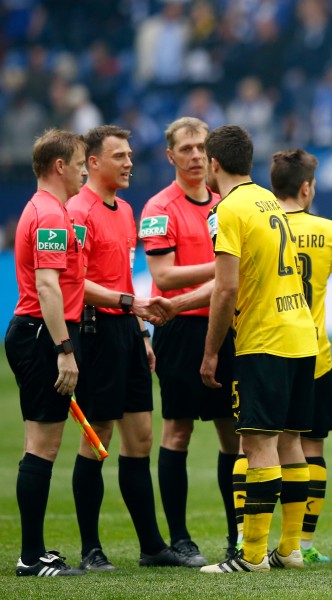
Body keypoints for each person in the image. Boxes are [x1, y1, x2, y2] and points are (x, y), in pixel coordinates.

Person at [68, 125, 195, 570]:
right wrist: (129, 304)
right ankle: (91, 550)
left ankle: (151, 547)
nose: (128, 163)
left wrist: (141, 334)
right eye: (119, 156)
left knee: (140, 439)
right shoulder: (77, 212)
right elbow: (73, 283)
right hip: (95, 332)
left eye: (129, 156)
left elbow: (122, 274)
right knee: (98, 437)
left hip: (126, 330)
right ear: (93, 163)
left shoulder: (124, 210)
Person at [198, 125, 318, 574]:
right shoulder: (268, 200)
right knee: (291, 444)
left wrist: (211, 353)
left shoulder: (227, 209)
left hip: (263, 339)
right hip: (300, 334)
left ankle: (250, 557)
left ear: (214, 163)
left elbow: (226, 288)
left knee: (255, 444)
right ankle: (289, 549)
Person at [139, 116, 239, 562]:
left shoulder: (225, 204)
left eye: (201, 147)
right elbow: (163, 275)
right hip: (178, 328)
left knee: (233, 434)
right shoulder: (159, 209)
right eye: (186, 149)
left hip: (225, 324)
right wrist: (225, 265)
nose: (196, 155)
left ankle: (237, 534)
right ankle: (180, 538)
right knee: (176, 431)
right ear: (171, 156)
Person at [7, 129, 88, 576]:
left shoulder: (41, 209)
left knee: (39, 444)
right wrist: (64, 349)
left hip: (34, 331)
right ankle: (30, 558)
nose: (83, 170)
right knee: (43, 446)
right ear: (59, 166)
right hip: (42, 333)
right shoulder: (52, 216)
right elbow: (46, 285)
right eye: (79, 163)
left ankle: (34, 551)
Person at [271, 149, 332, 564]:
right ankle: (303, 543)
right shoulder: (328, 229)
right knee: (312, 447)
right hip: (316, 352)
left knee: (258, 446)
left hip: (272, 346)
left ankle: (249, 536)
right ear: (306, 187)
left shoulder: (263, 225)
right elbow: (326, 271)